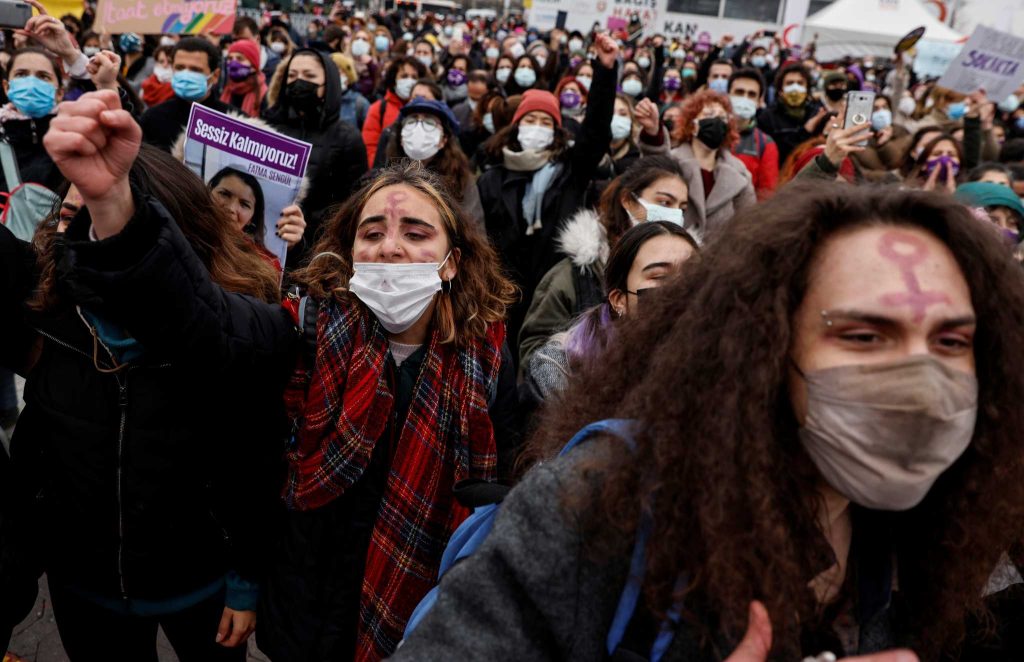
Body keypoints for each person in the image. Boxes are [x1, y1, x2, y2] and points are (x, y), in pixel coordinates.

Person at [393, 181, 1024, 661]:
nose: (916, 382)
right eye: (862, 335)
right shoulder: (599, 504)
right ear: (769, 346)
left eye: (950, 342)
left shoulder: (946, 536)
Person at [6, 92, 295, 661]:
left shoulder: (243, 331)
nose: (83, 244)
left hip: (202, 587)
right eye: (71, 219)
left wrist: (245, 577)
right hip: (85, 587)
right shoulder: (50, 319)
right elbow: (35, 462)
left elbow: (255, 468)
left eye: (107, 221)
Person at [256, 162, 520, 662]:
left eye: (416, 233)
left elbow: (506, 470)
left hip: (421, 611)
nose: (391, 247)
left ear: (450, 263)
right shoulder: (304, 329)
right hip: (307, 611)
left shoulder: (489, 358)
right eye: (372, 232)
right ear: (351, 252)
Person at [477, 34, 619, 339]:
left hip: (555, 294)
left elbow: (595, 131)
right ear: (517, 127)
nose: (537, 128)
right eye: (531, 120)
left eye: (545, 122)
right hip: (501, 295)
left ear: (556, 131)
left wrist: (605, 72)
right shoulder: (491, 179)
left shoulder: (570, 171)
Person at [519, 154, 689, 369]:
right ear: (628, 200)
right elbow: (534, 353)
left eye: (681, 208)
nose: (673, 214)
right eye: (664, 202)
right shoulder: (571, 276)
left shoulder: (694, 271)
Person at [524, 220, 697, 406]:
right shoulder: (561, 368)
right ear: (619, 300)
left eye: (692, 274)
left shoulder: (724, 356)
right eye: (659, 276)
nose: (680, 286)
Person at [263, 48, 368, 265]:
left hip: (318, 257)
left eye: (309, 76)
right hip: (267, 248)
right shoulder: (268, 126)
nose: (298, 82)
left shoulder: (347, 137)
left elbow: (351, 210)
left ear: (328, 84)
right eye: (292, 76)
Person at [636, 90, 756, 242]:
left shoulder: (740, 174)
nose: (716, 122)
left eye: (722, 117)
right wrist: (652, 132)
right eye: (709, 115)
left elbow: (747, 225)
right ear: (692, 125)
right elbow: (651, 165)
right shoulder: (673, 161)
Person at [380, 97, 483, 224]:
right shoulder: (385, 177)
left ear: (444, 139)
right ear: (401, 137)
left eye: (429, 122)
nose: (418, 129)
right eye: (411, 121)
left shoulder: (461, 181)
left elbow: (474, 230)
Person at [139, 38, 232, 151]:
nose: (186, 74)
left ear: (215, 76)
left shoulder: (234, 122)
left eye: (195, 70)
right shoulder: (151, 119)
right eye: (180, 68)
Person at [208, 166, 306, 271]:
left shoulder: (265, 265)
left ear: (252, 218)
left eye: (244, 204)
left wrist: (293, 249)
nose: (231, 208)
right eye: (224, 194)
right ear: (209, 191)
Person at [0, 47, 65, 194]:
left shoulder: (73, 139)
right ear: (6, 87)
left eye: (43, 76)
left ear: (60, 92)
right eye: (21, 74)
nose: (31, 83)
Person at [361, 56, 428, 167]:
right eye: (404, 76)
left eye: (414, 77)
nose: (410, 81)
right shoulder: (378, 108)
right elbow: (369, 147)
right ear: (394, 80)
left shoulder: (427, 109)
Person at [756, 63, 826, 166]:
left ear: (807, 89)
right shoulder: (767, 117)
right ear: (780, 90)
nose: (795, 88)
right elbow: (776, 152)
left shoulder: (817, 114)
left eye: (800, 83)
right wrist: (805, 131)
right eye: (790, 83)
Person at [728, 67, 778, 200]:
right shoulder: (711, 132)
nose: (745, 98)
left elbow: (766, 194)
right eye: (739, 92)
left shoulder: (765, 144)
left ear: (759, 101)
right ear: (728, 95)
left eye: (751, 94)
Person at [220, 39, 267, 118]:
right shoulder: (226, 89)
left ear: (253, 67)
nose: (233, 64)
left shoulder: (264, 95)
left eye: (240, 59)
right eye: (230, 58)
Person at [330, 52, 370, 129]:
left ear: (348, 76)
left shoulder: (360, 103)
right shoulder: (320, 101)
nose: (333, 76)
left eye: (338, 71)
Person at [139, 45, 174, 109]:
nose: (165, 65)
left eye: (170, 62)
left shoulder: (179, 89)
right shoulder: (146, 87)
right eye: (161, 61)